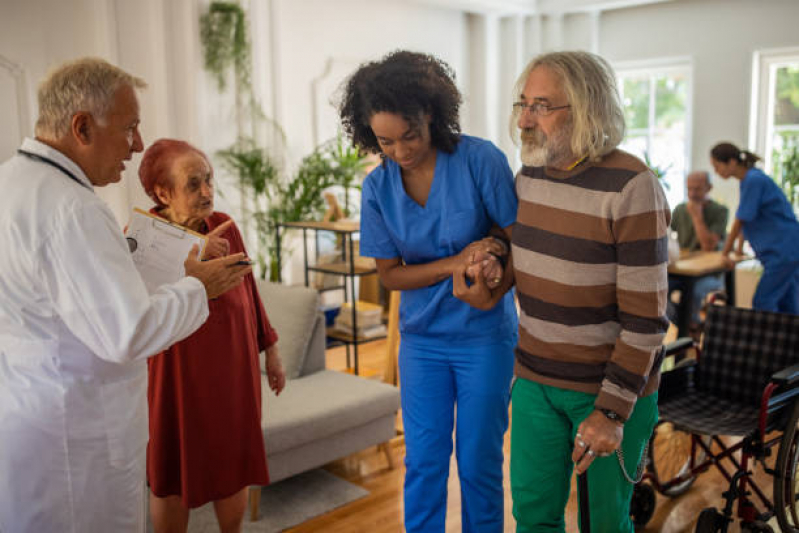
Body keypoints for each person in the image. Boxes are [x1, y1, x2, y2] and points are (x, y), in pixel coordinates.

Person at [0, 58, 252, 533]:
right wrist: (199, 285)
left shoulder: (9, 184)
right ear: (82, 127)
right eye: (130, 128)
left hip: (30, 418)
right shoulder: (72, 209)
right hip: (76, 439)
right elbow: (128, 333)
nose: (137, 146)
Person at [456, 51, 669, 532]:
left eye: (542, 106)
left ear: (587, 109)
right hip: (534, 379)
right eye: (523, 104)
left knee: (604, 524)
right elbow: (521, 250)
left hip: (605, 390)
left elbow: (647, 319)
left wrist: (611, 413)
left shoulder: (634, 186)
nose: (525, 119)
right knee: (532, 515)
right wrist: (495, 259)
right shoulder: (529, 175)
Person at [339, 50, 518, 533]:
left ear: (432, 115)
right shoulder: (377, 188)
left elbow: (519, 243)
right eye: (385, 141)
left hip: (484, 337)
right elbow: (391, 275)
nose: (400, 151)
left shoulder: (481, 160)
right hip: (421, 342)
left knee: (479, 464)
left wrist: (494, 277)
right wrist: (455, 262)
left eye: (410, 135)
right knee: (424, 464)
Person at [137, 139, 286, 532]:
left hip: (234, 371)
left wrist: (270, 348)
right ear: (162, 192)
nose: (206, 192)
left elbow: (249, 289)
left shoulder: (225, 226)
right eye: (193, 184)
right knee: (169, 471)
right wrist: (196, 251)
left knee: (232, 462)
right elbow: (140, 312)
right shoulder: (142, 238)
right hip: (176, 377)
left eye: (209, 181)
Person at [711, 142, 799, 313]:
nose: (716, 172)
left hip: (783, 251)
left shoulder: (753, 180)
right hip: (786, 250)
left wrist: (725, 253)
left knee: (763, 301)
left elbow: (741, 219)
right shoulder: (750, 180)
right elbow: (749, 219)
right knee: (787, 303)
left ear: (732, 162)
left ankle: (768, 340)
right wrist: (737, 250)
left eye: (717, 166)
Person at [669, 170, 729, 324]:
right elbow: (666, 235)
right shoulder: (679, 210)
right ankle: (691, 325)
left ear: (709, 188)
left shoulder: (720, 211)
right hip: (682, 271)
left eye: (697, 189)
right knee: (656, 290)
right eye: (689, 189)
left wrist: (697, 216)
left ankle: (689, 327)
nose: (692, 193)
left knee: (693, 292)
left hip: (709, 274)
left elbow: (708, 246)